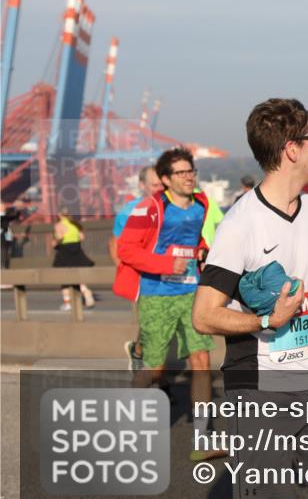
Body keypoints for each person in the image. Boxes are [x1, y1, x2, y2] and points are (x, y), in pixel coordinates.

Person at [193, 98, 308, 499]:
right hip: (258, 383)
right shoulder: (240, 225)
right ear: (292, 149)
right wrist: (267, 321)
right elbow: (204, 316)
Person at [112, 147, 219, 461]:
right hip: (157, 295)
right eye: (181, 173)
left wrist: (202, 251)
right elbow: (126, 249)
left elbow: (194, 241)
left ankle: (201, 440)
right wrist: (164, 264)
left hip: (191, 293)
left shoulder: (201, 204)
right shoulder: (150, 208)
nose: (189, 177)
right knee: (155, 370)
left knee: (202, 361)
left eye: (191, 171)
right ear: (166, 179)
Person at [110, 166, 165, 371]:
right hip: (143, 277)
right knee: (154, 323)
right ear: (142, 185)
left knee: (160, 323)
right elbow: (116, 244)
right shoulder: (130, 211)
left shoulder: (174, 206)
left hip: (171, 274)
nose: (160, 189)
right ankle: (153, 371)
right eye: (155, 185)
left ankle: (139, 352)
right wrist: (127, 273)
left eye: (162, 184)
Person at [51, 208, 96, 310]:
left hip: (65, 251)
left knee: (64, 279)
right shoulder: (75, 224)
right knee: (78, 276)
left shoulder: (59, 225)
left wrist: (54, 242)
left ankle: (68, 303)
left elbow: (60, 236)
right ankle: (86, 292)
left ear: (59, 214)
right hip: (76, 250)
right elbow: (81, 237)